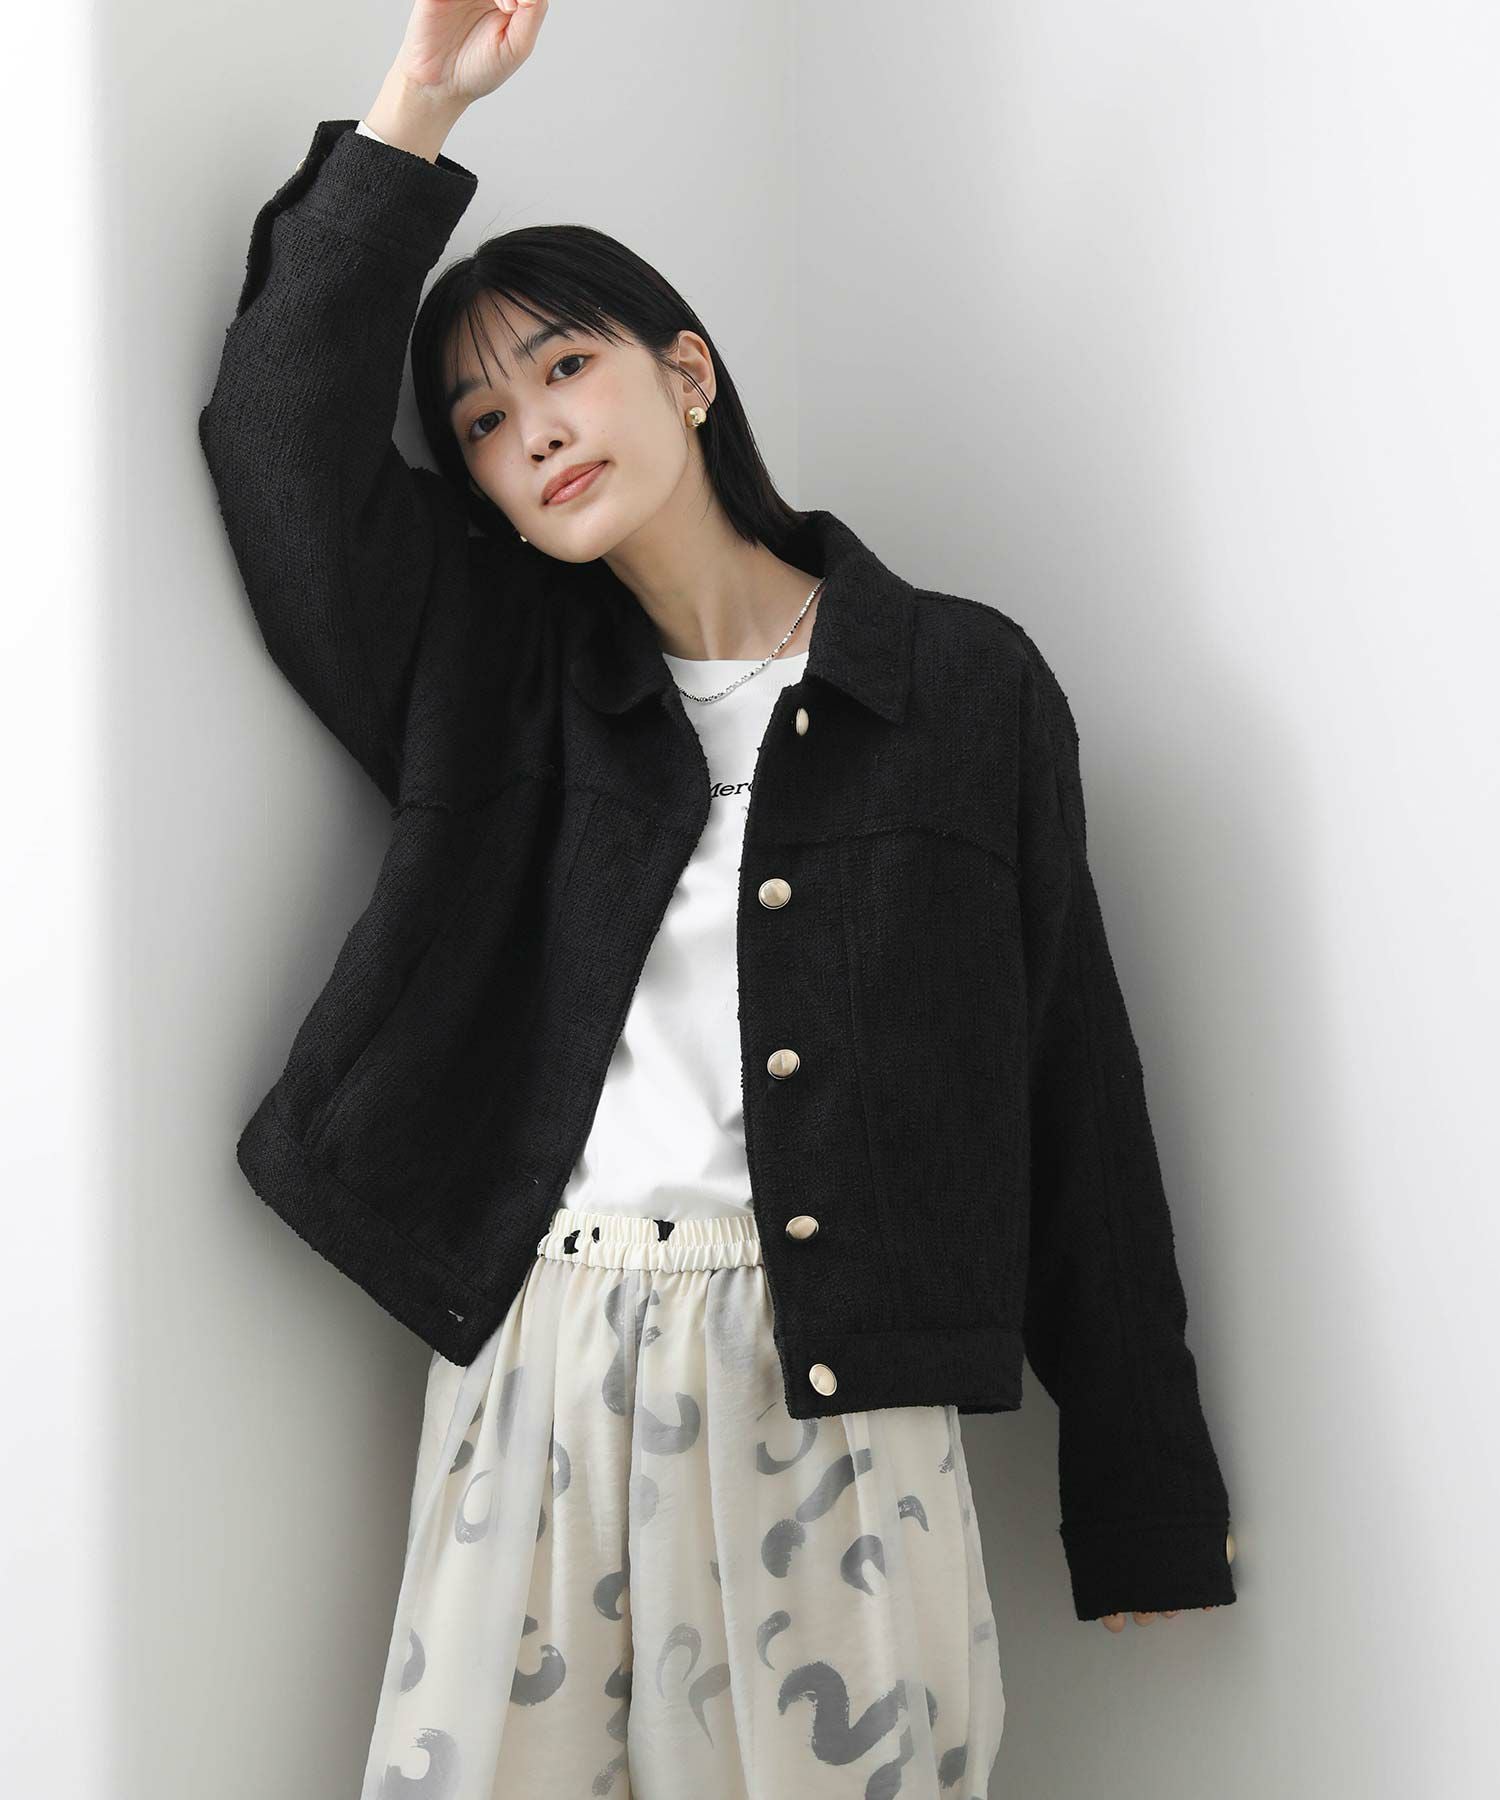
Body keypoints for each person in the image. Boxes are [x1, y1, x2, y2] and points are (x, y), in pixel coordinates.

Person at [197, 2, 1235, 1794]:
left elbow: (1070, 1081)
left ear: (686, 372)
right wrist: (418, 106)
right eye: (483, 422)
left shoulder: (959, 688)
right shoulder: (495, 676)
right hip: (541, 1352)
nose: (533, 431)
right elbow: (279, 440)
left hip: (839, 1387)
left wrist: (1142, 1491)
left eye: (564, 369)